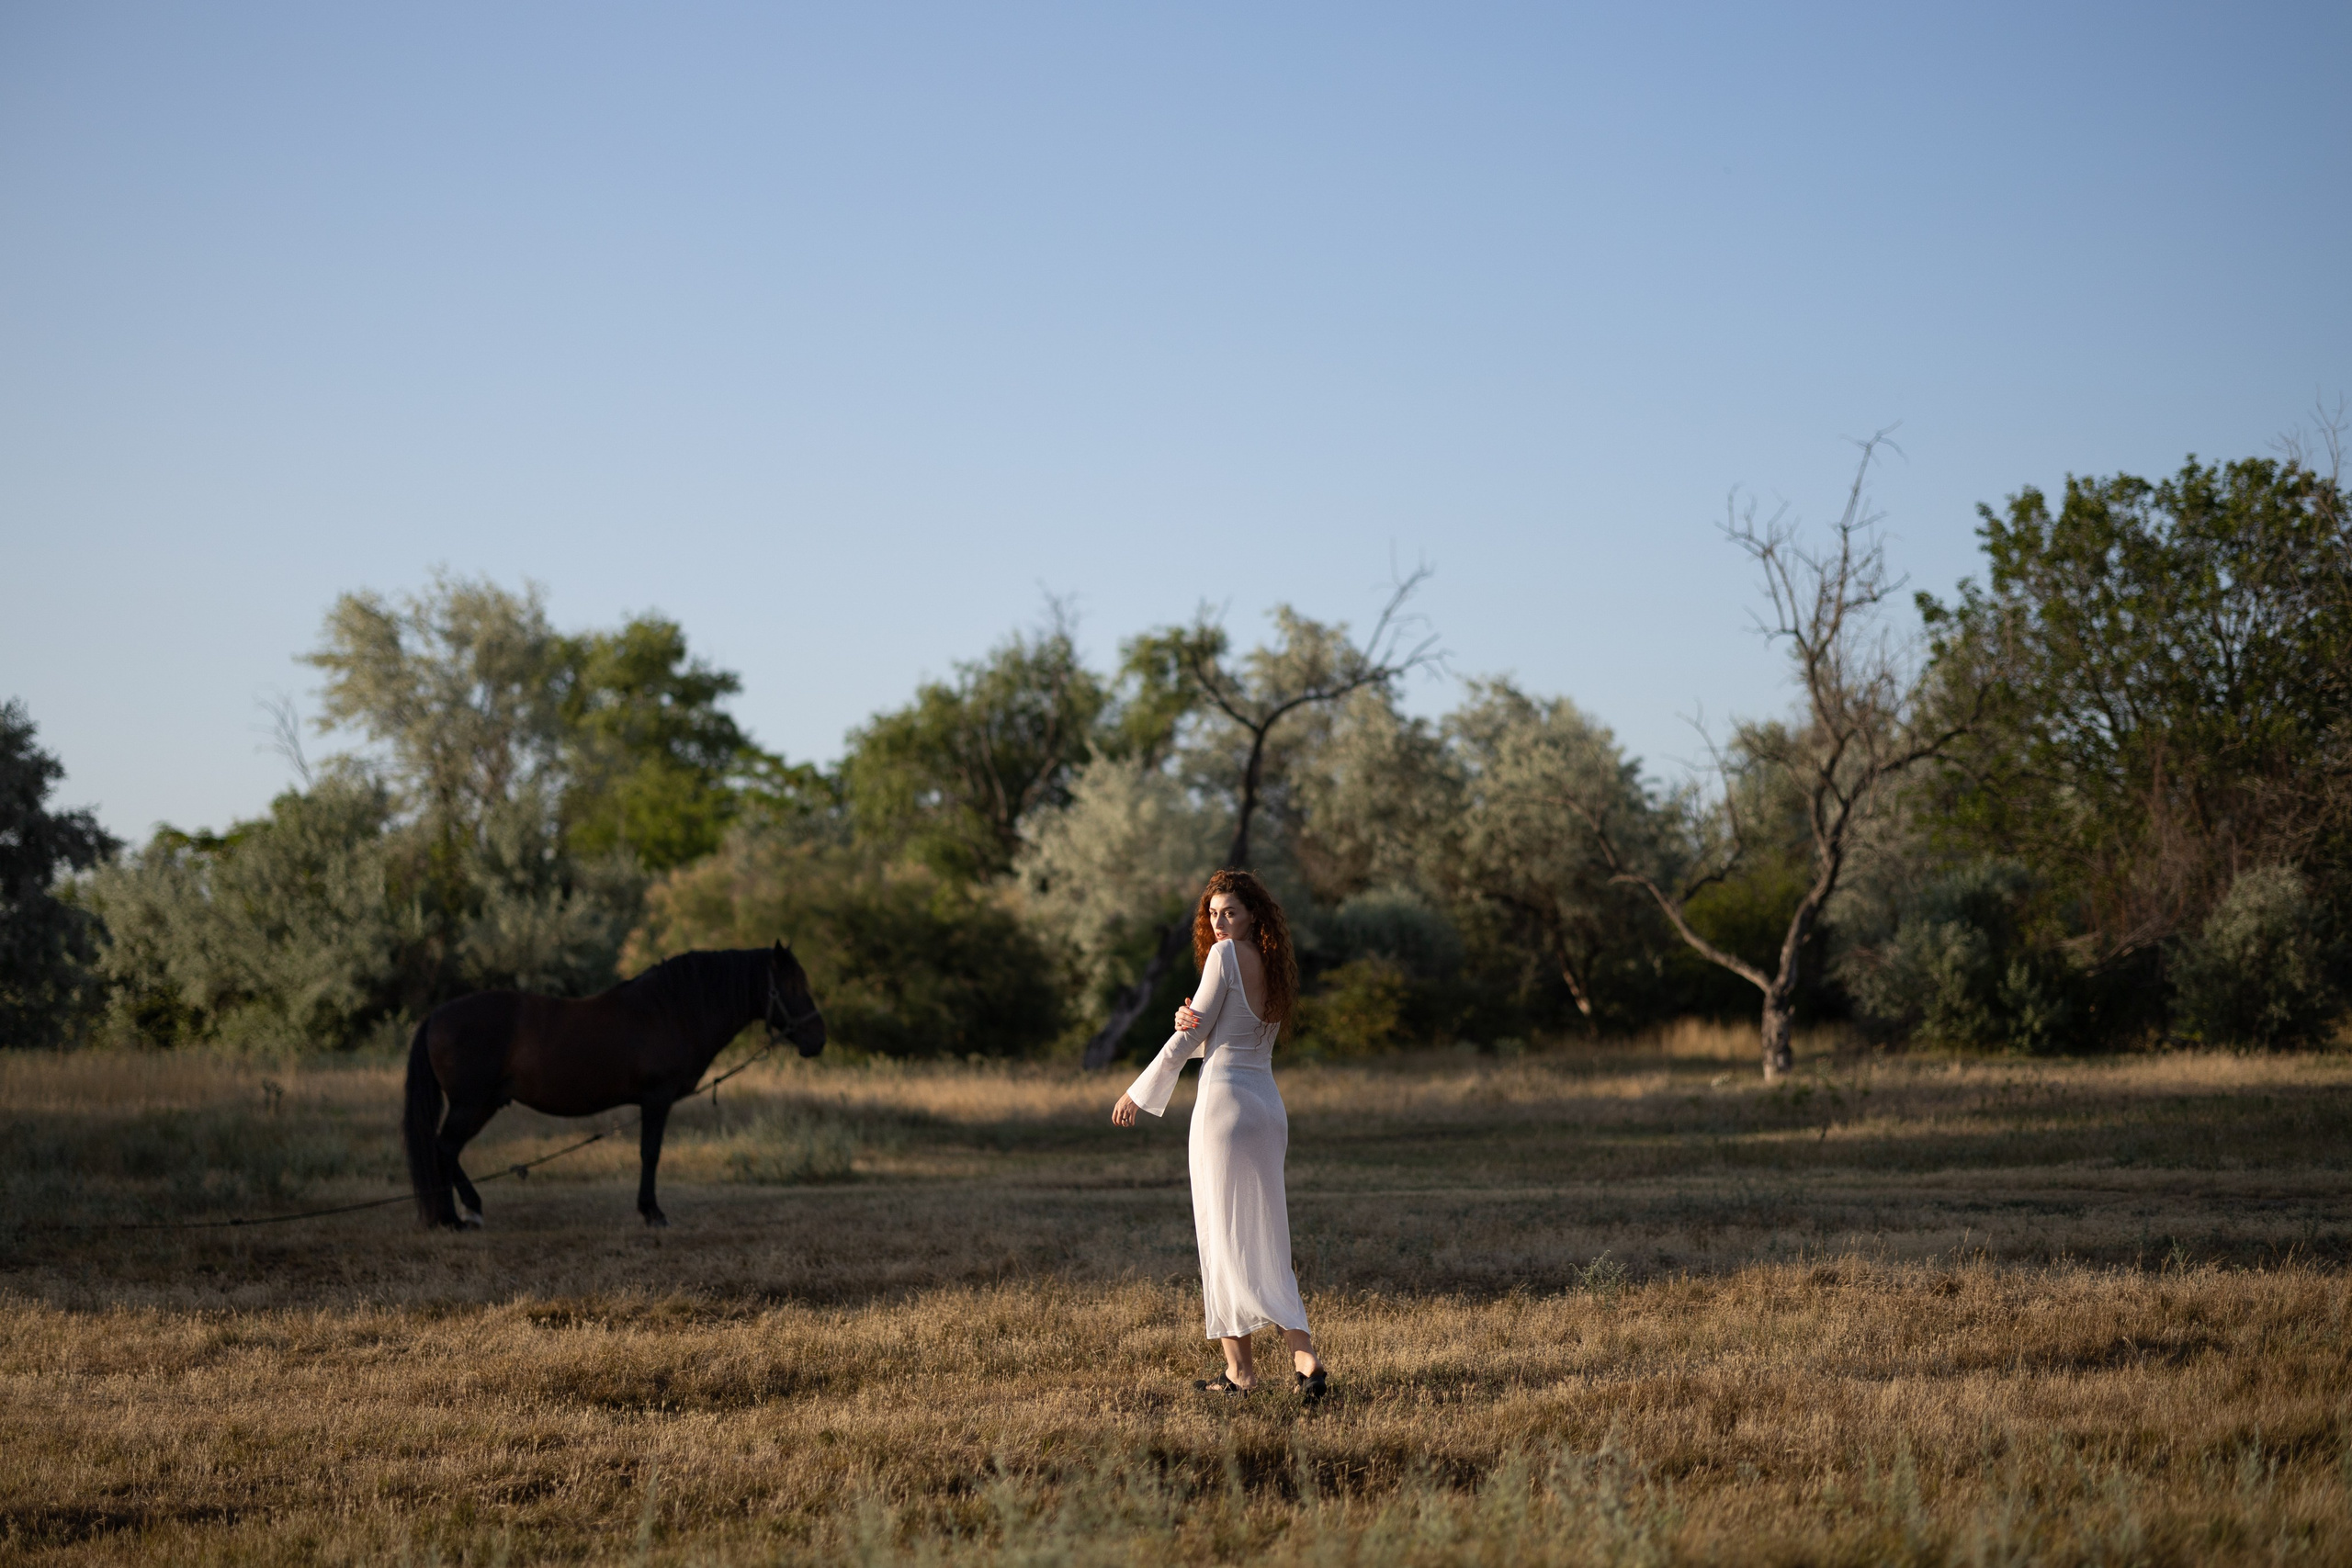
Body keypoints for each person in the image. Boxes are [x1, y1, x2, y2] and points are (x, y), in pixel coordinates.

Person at [1112, 869, 1329, 1401]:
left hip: (1225, 1107)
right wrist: (1196, 1021)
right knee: (1268, 1239)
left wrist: (1139, 1091)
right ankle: (1305, 1360)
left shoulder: (1224, 956)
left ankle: (1241, 1374)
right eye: (1212, 914)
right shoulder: (1274, 966)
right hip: (1266, 1106)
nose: (1219, 922)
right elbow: (1225, 1034)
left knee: (1222, 1237)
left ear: (1253, 913)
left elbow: (1194, 1038)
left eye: (1229, 912)